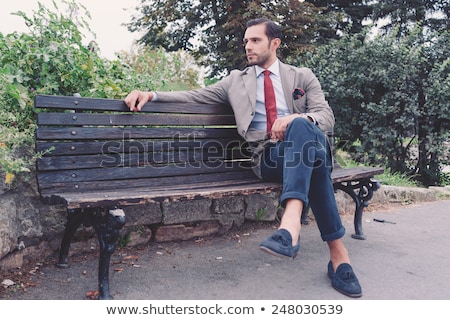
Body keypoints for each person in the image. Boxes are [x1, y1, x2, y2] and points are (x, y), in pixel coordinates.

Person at [124, 18, 362, 298]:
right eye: (246, 41)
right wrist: (151, 94)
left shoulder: (302, 76)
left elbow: (326, 117)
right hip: (270, 158)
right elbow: (194, 96)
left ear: (275, 43)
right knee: (314, 160)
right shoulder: (235, 81)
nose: (247, 46)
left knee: (302, 131)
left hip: (309, 147)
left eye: (255, 40)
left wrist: (295, 118)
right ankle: (338, 255)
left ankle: (290, 225)